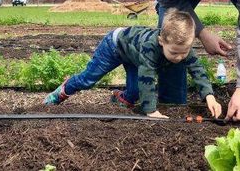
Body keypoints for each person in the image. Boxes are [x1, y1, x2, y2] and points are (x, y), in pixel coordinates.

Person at [44, 8, 222, 119]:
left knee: (134, 93)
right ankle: (62, 91)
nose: (179, 58)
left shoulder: (183, 48)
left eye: (183, 52)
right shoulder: (150, 48)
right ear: (161, 41)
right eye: (174, 53)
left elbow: (198, 70)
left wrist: (209, 96)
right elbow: (147, 79)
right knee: (88, 79)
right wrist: (151, 111)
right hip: (114, 46)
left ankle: (118, 97)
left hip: (132, 55)